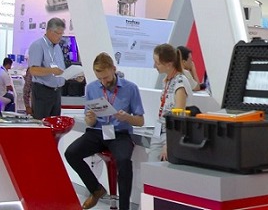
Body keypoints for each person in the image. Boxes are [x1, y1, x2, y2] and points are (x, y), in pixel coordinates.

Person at [64, 52, 144, 210]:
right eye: (100, 78)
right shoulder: (91, 88)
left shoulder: (130, 88)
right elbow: (89, 122)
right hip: (97, 131)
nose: (103, 82)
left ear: (114, 69)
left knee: (124, 161)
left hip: (120, 134)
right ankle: (96, 189)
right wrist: (90, 117)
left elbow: (140, 121)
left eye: (106, 77)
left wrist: (127, 117)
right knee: (71, 153)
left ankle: (124, 207)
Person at [149, 44, 192, 162]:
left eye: (157, 63)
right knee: (151, 166)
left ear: (168, 64)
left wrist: (169, 142)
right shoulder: (167, 81)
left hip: (169, 134)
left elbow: (179, 115)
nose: (154, 66)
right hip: (160, 130)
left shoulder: (180, 82)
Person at [27, 17, 67, 118]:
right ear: (49, 31)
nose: (60, 37)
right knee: (42, 123)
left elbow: (61, 69)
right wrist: (51, 70)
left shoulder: (57, 47)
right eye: (58, 33)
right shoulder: (38, 45)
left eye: (62, 33)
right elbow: (33, 70)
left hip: (57, 92)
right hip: (43, 91)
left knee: (54, 123)